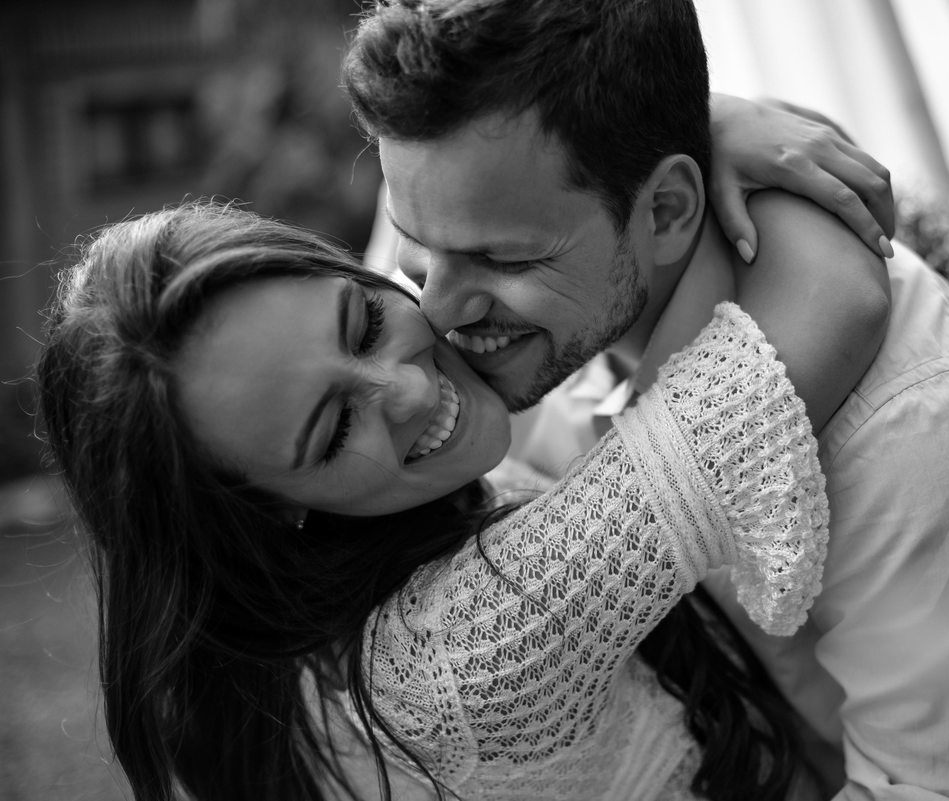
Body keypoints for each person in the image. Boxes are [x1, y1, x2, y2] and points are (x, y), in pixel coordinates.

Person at [36, 93, 891, 800]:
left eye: (364, 320)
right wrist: (690, 138)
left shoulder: (331, 571)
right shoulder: (474, 648)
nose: (408, 389)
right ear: (271, 508)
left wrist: (660, 125)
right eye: (334, 429)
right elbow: (835, 298)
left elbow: (445, 156)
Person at [341, 0, 949, 798]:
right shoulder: (445, 348)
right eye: (416, 241)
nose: (440, 310)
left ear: (666, 210)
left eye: (499, 256)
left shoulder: (915, 432)